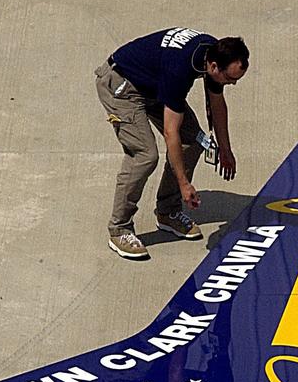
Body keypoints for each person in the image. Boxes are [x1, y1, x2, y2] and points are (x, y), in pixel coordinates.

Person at [95, 27, 250, 259]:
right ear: (214, 67)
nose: (232, 84)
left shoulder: (212, 53)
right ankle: (120, 228)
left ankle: (168, 212)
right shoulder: (181, 68)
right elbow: (170, 132)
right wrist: (184, 183)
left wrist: (226, 150)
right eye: (230, 78)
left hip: (155, 86)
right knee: (145, 155)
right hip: (122, 86)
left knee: (194, 141)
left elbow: (217, 105)